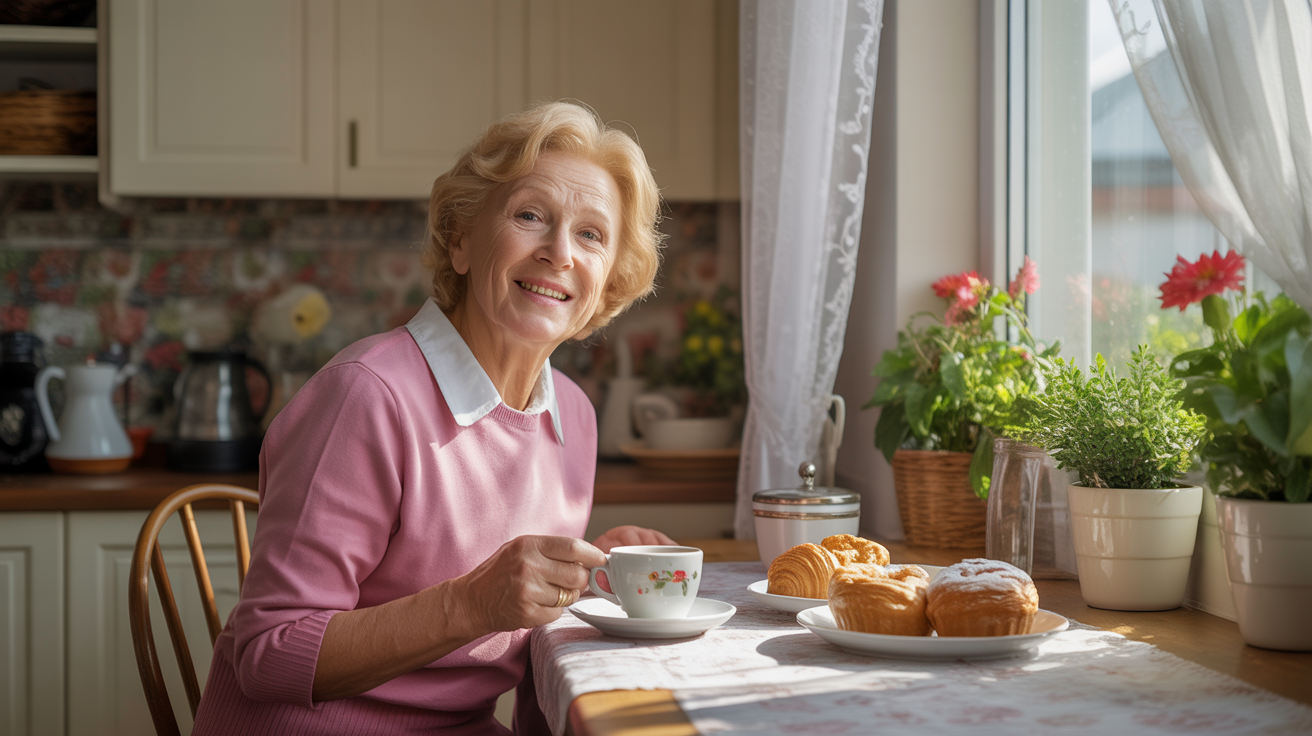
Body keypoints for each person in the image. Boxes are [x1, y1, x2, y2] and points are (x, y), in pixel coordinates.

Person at [192, 101, 674, 735]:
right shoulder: (365, 395)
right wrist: (473, 602)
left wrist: (584, 574)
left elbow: (518, 632)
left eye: (591, 234)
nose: (560, 252)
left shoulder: (574, 418)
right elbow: (269, 654)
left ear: (608, 283)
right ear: (461, 241)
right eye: (530, 216)